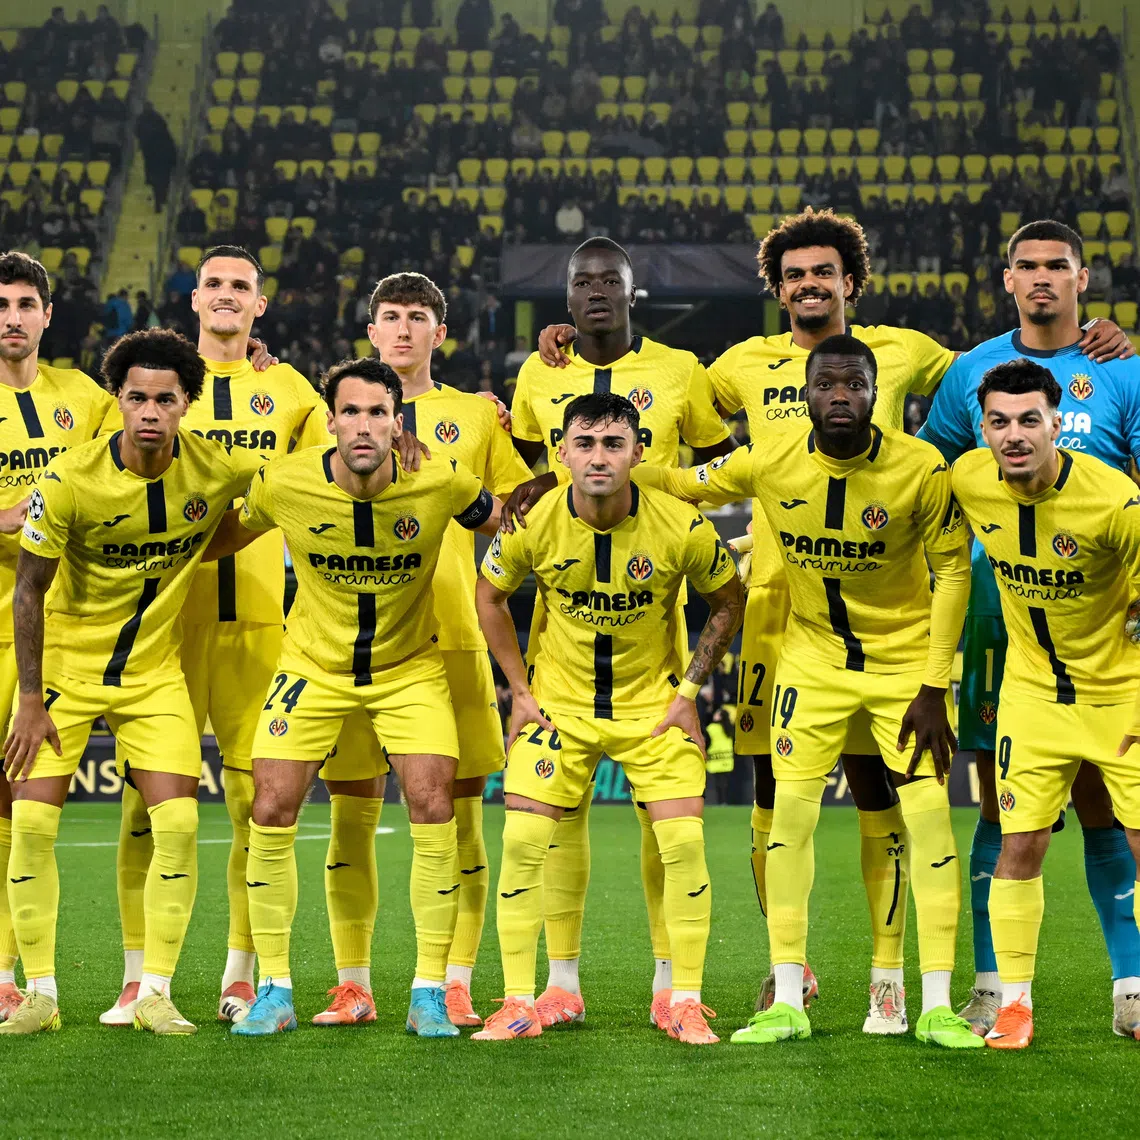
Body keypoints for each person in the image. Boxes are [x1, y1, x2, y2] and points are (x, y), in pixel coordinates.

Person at [535, 206, 1134, 1024]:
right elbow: (665, 414)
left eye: (825, 273)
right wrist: (571, 350)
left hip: (897, 613)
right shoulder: (741, 365)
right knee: (773, 790)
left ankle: (895, 980)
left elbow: (1006, 381)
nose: (810, 285)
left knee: (891, 792)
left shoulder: (911, 355)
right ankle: (796, 975)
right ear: (776, 289)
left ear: (851, 282)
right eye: (795, 276)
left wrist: (1085, 338)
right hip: (782, 612)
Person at [635, 335, 979, 1048]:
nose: (840, 395)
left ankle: (933, 1002)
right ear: (809, 392)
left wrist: (933, 684)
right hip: (811, 664)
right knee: (789, 821)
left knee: (929, 822)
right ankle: (787, 997)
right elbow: (685, 482)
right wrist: (577, 471)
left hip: (903, 669)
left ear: (877, 390)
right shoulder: (771, 456)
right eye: (827, 384)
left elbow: (953, 574)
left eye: (855, 383)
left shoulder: (922, 469)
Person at [99, 245, 389, 1029]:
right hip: (158, 627)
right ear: (194, 298)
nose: (227, 297)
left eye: (242, 288)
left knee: (249, 806)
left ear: (260, 307)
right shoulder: (155, 382)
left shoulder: (290, 390)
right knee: (141, 809)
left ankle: (238, 975)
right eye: (216, 285)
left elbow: (337, 473)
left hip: (259, 623)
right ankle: (137, 979)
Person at [200, 357, 504, 1038]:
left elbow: (509, 521)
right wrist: (153, 545)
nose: (363, 425)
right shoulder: (287, 482)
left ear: (398, 423)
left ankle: (428, 991)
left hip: (409, 666)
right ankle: (275, 988)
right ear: (330, 420)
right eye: (351, 411)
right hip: (311, 667)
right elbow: (229, 533)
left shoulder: (442, 479)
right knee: (270, 806)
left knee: (434, 803)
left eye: (377, 412)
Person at [0, 328, 265, 1036]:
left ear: (186, 406)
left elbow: (305, 476)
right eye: (138, 397)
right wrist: (30, 699)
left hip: (153, 677)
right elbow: (29, 592)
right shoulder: (68, 479)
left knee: (178, 824)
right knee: (29, 824)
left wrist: (401, 442)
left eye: (166, 399)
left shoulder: (217, 470)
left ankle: (153, 992)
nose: (151, 410)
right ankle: (42, 996)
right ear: (117, 400)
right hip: (66, 673)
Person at [918, 219, 1140, 1038]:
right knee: (1005, 809)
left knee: (1102, 809)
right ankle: (992, 987)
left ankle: (1131, 984)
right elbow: (922, 474)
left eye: (1057, 266)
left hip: (1109, 631)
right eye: (1026, 267)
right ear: (1005, 278)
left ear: (1083, 278)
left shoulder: (1121, 367)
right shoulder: (972, 371)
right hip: (995, 619)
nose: (1042, 278)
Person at [509, 236, 735, 1029]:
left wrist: (668, 524)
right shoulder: (541, 371)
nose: (597, 293)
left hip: (654, 610)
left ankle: (671, 984)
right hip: (562, 619)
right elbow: (525, 478)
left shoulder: (680, 371)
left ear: (634, 293)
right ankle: (559, 984)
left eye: (612, 281)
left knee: (660, 815)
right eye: (583, 283)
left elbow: (716, 468)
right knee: (557, 813)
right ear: (565, 299)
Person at [474, 392, 744, 1043]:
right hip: (560, 710)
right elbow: (488, 595)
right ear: (562, 452)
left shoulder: (679, 524)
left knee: (681, 842)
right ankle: (526, 998)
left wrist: (689, 692)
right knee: (522, 839)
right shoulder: (532, 519)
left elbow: (730, 600)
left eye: (613, 443)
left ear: (638, 452)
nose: (599, 457)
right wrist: (519, 691)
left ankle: (680, 996)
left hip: (653, 710)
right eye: (586, 444)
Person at [357, 272, 532, 1027]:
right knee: (354, 817)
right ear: (371, 333)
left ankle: (455, 978)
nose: (402, 328)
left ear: (441, 331)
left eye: (417, 317)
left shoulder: (474, 415)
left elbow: (520, 513)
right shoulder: (334, 408)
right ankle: (352, 981)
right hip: (355, 648)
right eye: (390, 317)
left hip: (454, 639)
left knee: (460, 819)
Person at [952, 358, 1140, 1049]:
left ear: (1058, 424)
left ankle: (1136, 990)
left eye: (1029, 419)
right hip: (1030, 694)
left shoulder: (1113, 499)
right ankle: (1015, 1006)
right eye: (999, 421)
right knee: (1019, 843)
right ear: (983, 428)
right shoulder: (970, 478)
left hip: (1120, 695)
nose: (1014, 434)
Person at [0, 251, 115, 1022]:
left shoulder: (86, 396)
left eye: (23, 305)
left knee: (26, 803)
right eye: (0, 305)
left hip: (58, 624)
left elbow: (142, 451)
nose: (11, 317)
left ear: (47, 316)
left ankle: (17, 969)